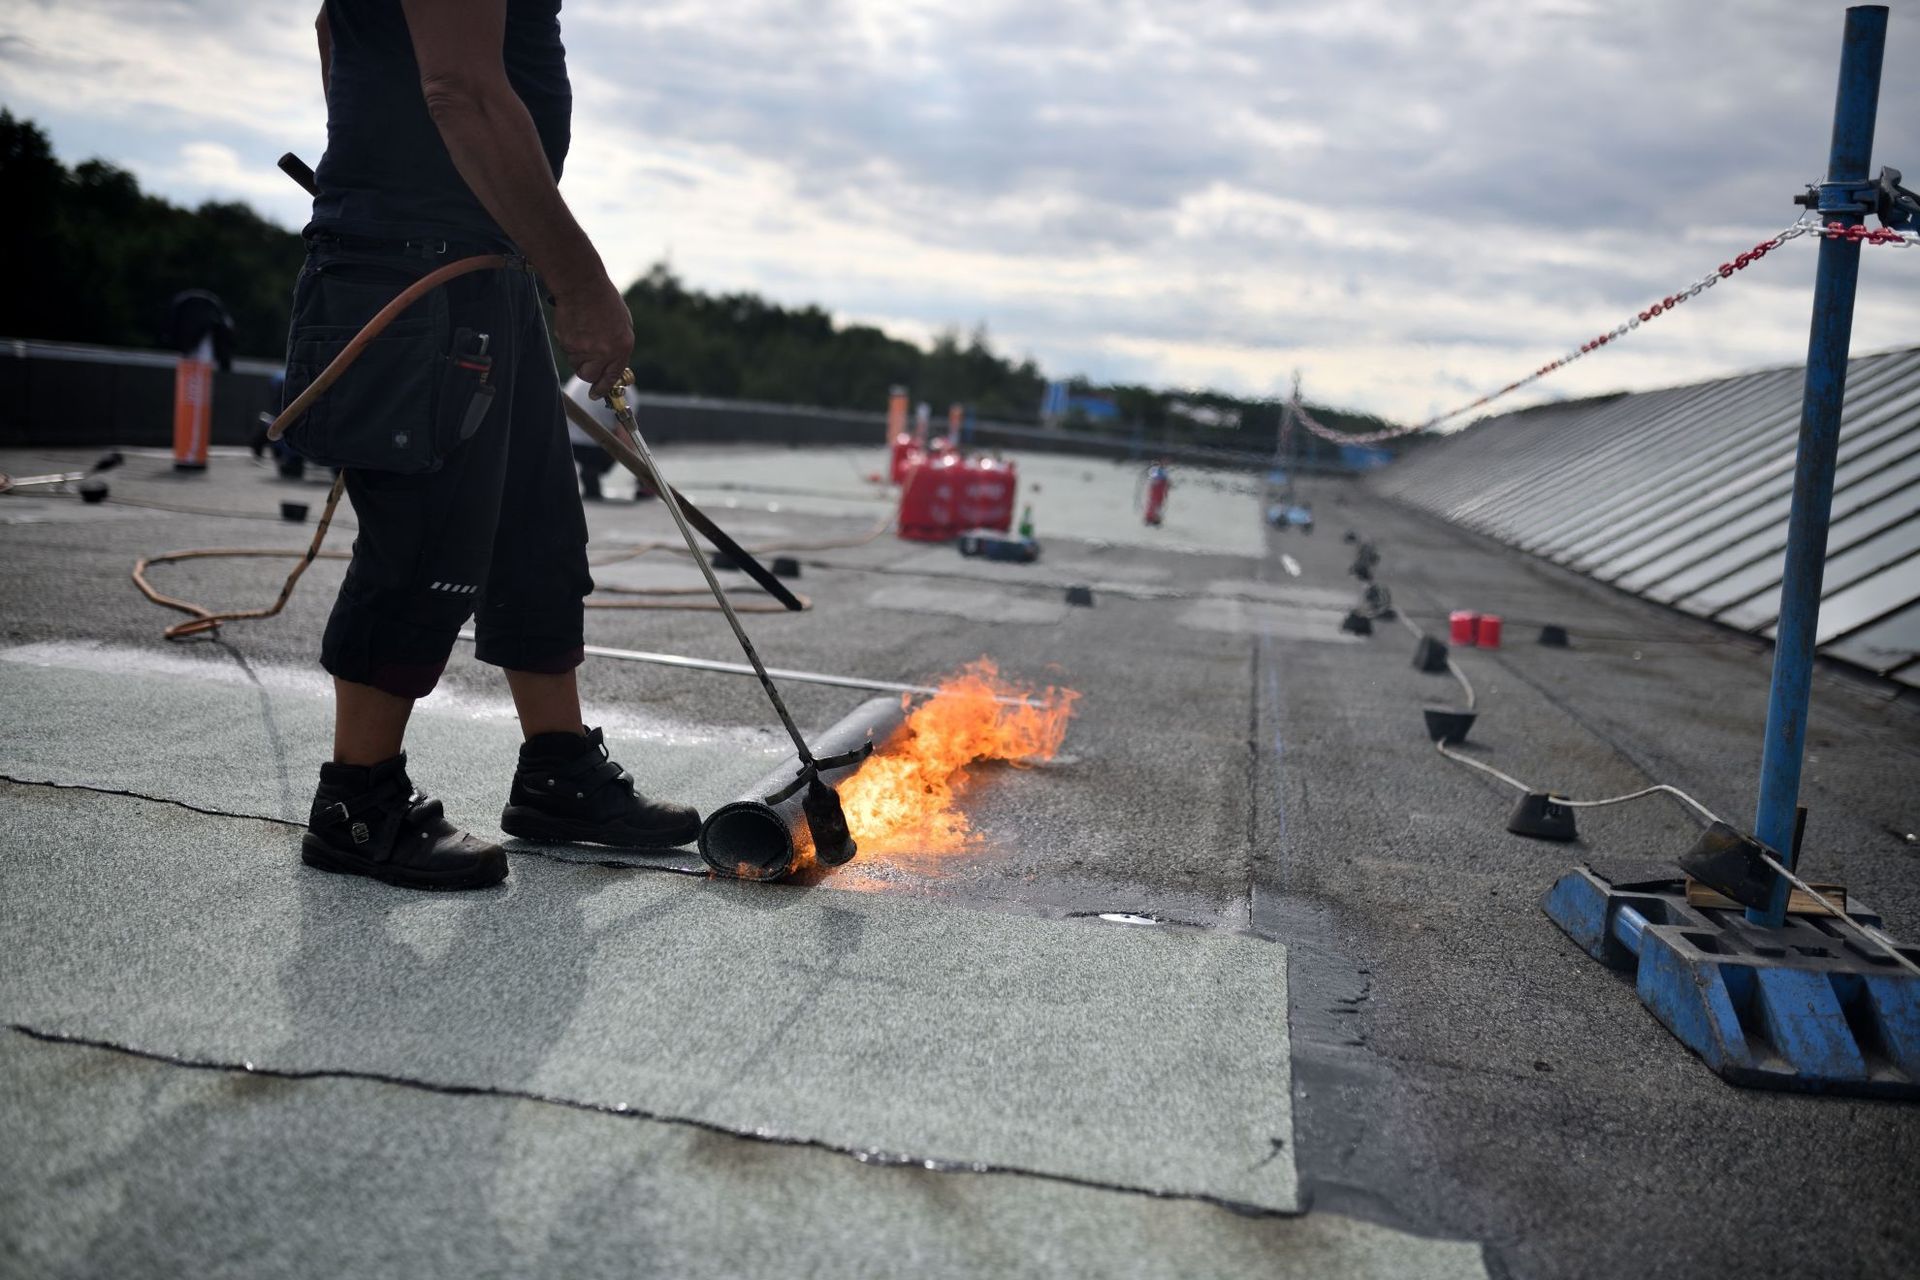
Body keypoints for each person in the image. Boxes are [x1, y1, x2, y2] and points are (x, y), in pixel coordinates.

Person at [285, 0, 697, 891]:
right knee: (425, 538)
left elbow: (335, 28)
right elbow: (460, 88)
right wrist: (581, 283)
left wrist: (378, 151)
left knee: (535, 529)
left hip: (475, 258)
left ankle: (557, 770)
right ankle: (357, 800)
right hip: (418, 264)